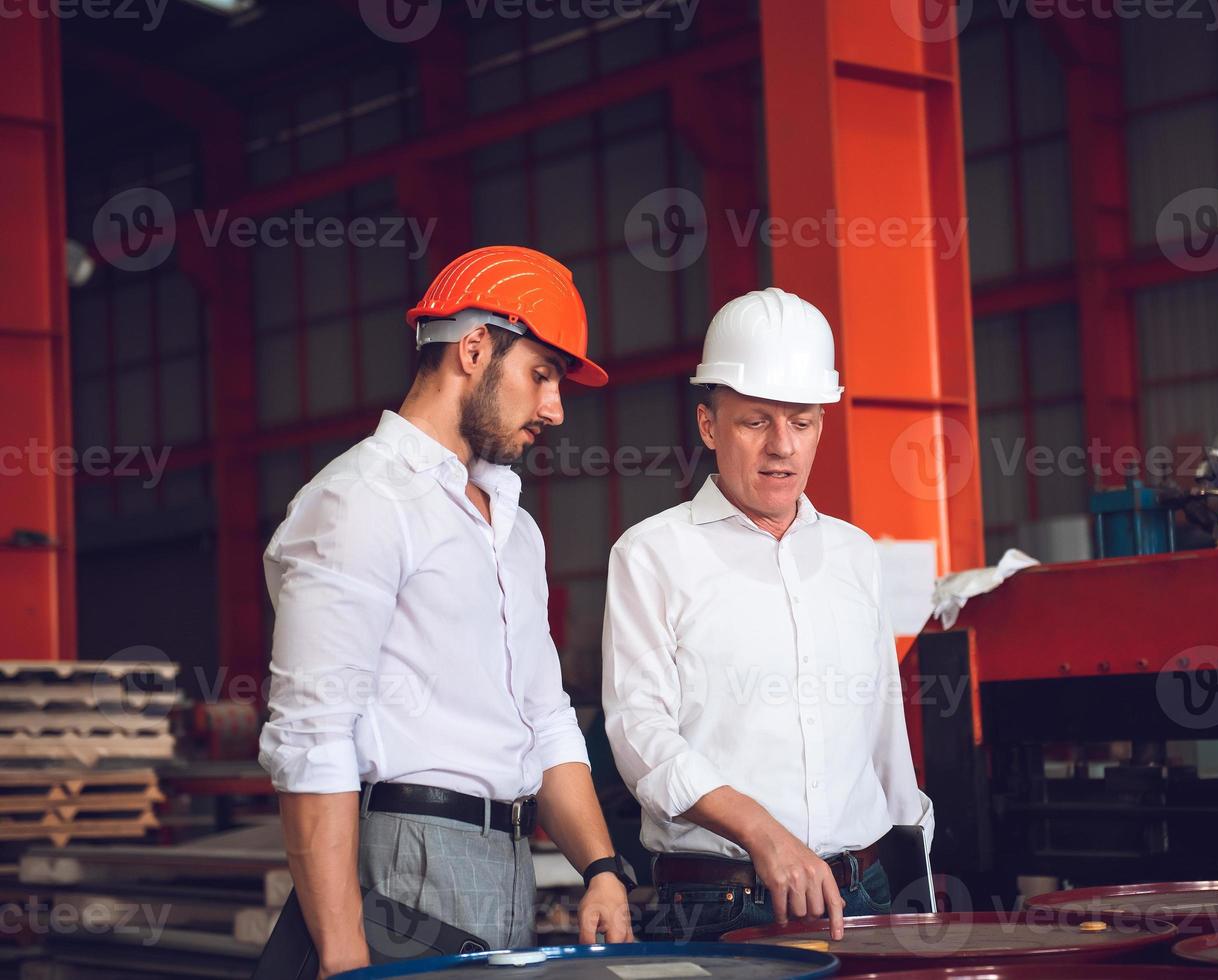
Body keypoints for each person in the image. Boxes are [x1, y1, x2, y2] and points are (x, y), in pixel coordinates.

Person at [259, 246, 636, 978]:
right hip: (406, 856)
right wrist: (344, 961)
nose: (554, 409)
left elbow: (546, 716)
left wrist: (600, 867)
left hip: (508, 861)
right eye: (542, 374)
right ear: (473, 349)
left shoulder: (513, 529)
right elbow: (313, 738)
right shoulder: (361, 501)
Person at [601, 286, 933, 941]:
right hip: (716, 907)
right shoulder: (652, 555)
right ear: (708, 425)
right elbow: (638, 733)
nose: (782, 447)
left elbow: (884, 735)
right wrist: (762, 831)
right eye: (756, 421)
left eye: (802, 422)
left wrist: (919, 886)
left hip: (861, 899)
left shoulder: (855, 554)